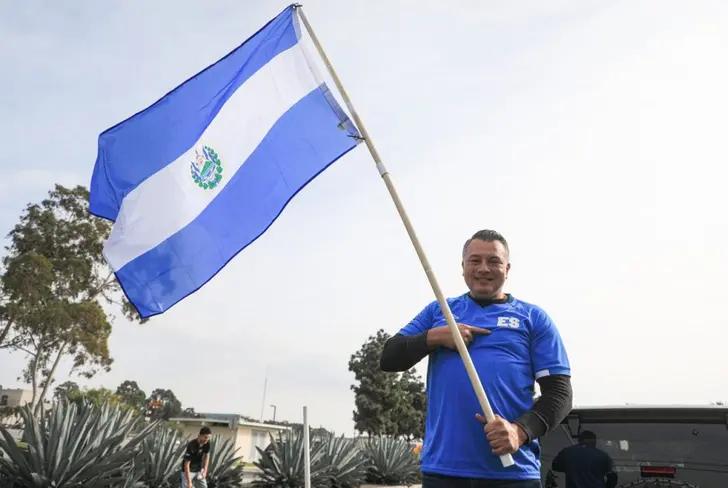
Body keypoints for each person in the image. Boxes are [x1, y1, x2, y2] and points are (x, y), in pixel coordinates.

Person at [380, 229, 573, 487]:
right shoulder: (440, 311)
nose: (483, 268)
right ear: (463, 267)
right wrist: (435, 337)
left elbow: (560, 394)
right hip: (443, 472)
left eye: (493, 261)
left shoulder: (533, 318)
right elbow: (389, 358)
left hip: (512, 474)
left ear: (507, 268)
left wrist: (520, 431)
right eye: (475, 260)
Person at [552, 431, 618, 488]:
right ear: (594, 441)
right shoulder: (603, 456)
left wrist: (571, 468)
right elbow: (612, 477)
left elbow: (555, 466)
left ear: (579, 441)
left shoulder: (567, 452)